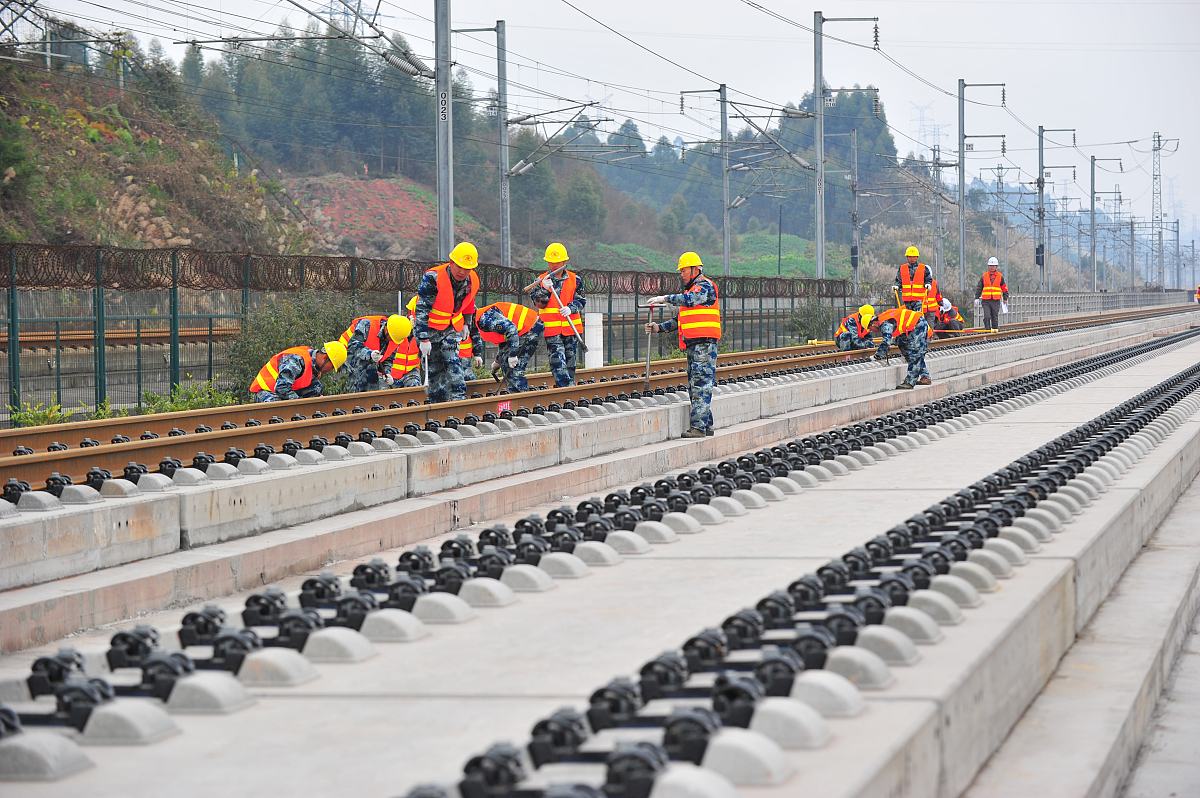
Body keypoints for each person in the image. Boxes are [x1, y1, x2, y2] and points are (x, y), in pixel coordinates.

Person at [645, 251, 721, 439]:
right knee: (696, 385)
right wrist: (658, 328)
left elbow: (689, 300)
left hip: (704, 345)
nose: (681, 274)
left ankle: (698, 428)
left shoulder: (704, 287)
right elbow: (679, 320)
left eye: (684, 270)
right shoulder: (691, 291)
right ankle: (706, 424)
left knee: (701, 386)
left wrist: (665, 298)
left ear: (695, 269)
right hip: (695, 346)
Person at [413, 241, 485, 403]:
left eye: (467, 268)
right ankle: (438, 403)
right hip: (430, 329)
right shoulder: (433, 278)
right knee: (434, 369)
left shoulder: (472, 280)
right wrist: (423, 338)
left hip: (451, 328)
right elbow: (422, 309)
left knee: (452, 359)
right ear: (451, 262)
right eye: (459, 266)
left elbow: (469, 302)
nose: (462, 271)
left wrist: (466, 323)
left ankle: (458, 399)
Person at [529, 242, 586, 387]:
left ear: (564, 261)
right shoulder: (541, 280)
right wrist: (545, 289)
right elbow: (539, 304)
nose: (554, 265)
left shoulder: (575, 279)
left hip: (571, 328)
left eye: (557, 262)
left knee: (570, 362)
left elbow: (581, 300)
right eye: (551, 262)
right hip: (552, 330)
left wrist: (571, 308)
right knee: (558, 362)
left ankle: (569, 387)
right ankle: (565, 388)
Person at [474, 301, 544, 392]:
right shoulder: (481, 318)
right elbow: (505, 340)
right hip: (525, 329)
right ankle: (516, 394)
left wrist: (513, 355)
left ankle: (519, 397)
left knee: (513, 368)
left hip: (528, 329)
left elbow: (511, 329)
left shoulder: (485, 320)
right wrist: (498, 361)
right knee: (506, 363)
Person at [249, 341, 346, 402]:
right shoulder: (297, 360)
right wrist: (300, 402)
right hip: (265, 391)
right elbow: (282, 388)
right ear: (325, 358)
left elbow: (311, 389)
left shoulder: (313, 365)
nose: (330, 370)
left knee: (316, 390)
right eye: (331, 367)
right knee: (279, 409)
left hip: (280, 390)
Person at [339, 313, 411, 392]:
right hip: (349, 363)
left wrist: (387, 373)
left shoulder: (396, 338)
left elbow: (388, 359)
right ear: (386, 329)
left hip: (369, 369)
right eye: (390, 337)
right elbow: (353, 345)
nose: (391, 340)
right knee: (352, 394)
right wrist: (369, 354)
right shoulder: (367, 324)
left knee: (372, 391)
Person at [872, 306, 931, 389]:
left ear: (873, 324)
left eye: (870, 328)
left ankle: (910, 382)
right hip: (912, 326)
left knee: (915, 354)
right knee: (902, 344)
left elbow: (886, 341)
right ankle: (925, 377)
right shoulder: (883, 318)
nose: (871, 331)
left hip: (917, 325)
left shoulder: (884, 324)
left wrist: (878, 355)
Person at [894, 245, 933, 312]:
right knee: (908, 316)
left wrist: (928, 284)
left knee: (917, 316)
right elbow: (899, 280)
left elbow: (928, 279)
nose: (912, 258)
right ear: (907, 257)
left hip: (918, 299)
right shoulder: (902, 268)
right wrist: (897, 286)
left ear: (917, 257)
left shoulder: (923, 268)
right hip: (906, 300)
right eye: (910, 257)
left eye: (914, 257)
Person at [975, 257, 1009, 329]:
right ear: (988, 266)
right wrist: (976, 298)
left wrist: (1005, 298)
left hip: (995, 301)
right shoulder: (984, 276)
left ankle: (994, 331)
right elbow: (979, 287)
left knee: (994, 317)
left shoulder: (1000, 276)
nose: (992, 267)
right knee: (987, 317)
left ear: (996, 266)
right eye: (990, 266)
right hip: (986, 301)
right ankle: (988, 331)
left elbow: (1004, 288)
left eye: (993, 266)